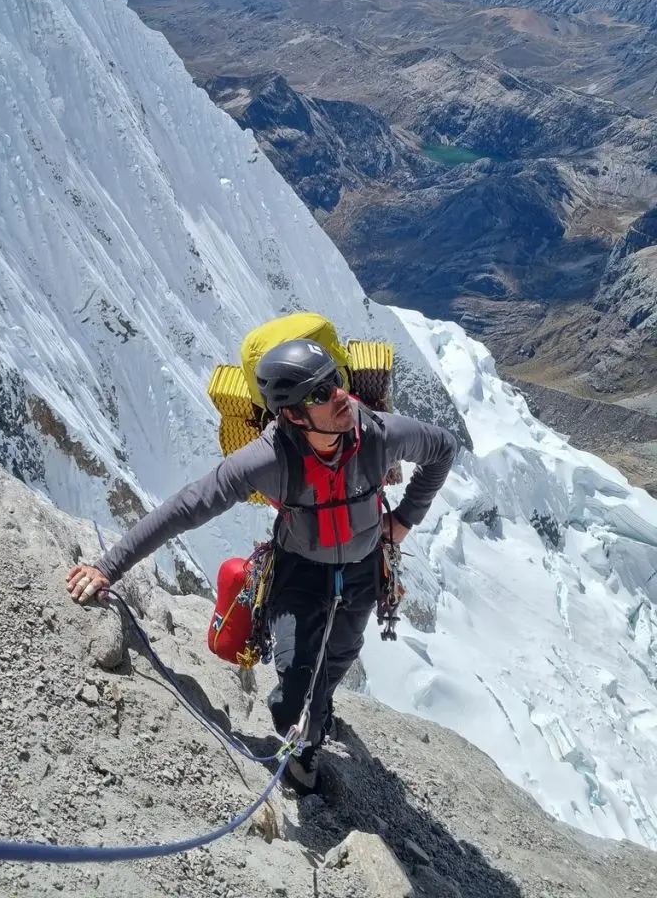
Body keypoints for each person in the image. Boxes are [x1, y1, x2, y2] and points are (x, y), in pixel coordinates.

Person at [66, 338, 457, 794]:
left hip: (362, 573)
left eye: (335, 380)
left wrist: (404, 521)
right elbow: (187, 506)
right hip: (298, 575)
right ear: (292, 414)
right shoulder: (271, 459)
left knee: (336, 662)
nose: (337, 395)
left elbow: (443, 449)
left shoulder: (378, 436)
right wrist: (109, 567)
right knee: (292, 693)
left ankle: (314, 730)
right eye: (318, 393)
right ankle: (302, 733)